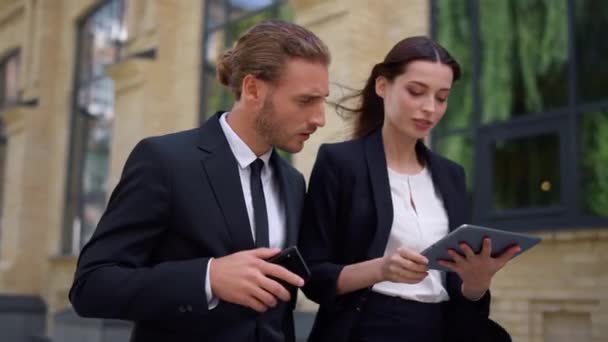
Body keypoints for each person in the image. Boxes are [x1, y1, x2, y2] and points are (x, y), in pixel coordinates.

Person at [69, 20, 330, 342]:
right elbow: (92, 285)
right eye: (305, 101)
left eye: (323, 101)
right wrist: (208, 278)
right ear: (253, 89)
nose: (320, 118)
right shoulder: (164, 160)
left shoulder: (292, 182)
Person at [298, 36, 517, 342]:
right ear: (382, 86)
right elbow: (313, 277)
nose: (430, 108)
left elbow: (458, 291)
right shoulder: (340, 163)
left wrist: (477, 283)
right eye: (416, 92)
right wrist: (381, 269)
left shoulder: (451, 175)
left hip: (439, 328)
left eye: (441, 98)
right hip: (365, 328)